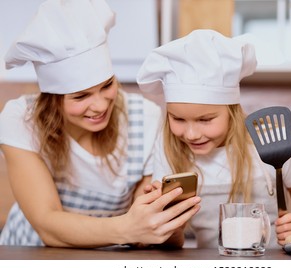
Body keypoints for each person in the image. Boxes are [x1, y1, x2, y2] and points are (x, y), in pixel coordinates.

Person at [0, 0, 200, 248]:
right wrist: (130, 228)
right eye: (81, 96)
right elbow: (47, 226)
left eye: (107, 86)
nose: (100, 106)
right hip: (28, 252)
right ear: (53, 100)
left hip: (108, 255)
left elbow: (142, 231)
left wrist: (159, 223)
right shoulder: (21, 119)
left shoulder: (145, 117)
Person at [136, 29, 291, 249]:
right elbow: (172, 243)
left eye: (205, 120)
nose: (191, 134)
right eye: (178, 119)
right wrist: (167, 222)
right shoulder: (168, 149)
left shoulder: (274, 142)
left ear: (232, 112)